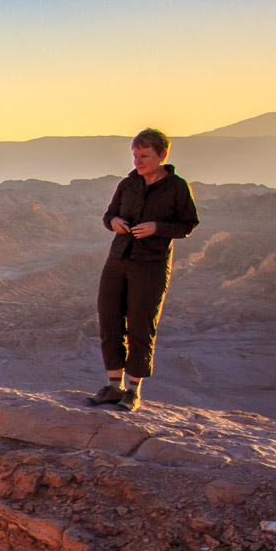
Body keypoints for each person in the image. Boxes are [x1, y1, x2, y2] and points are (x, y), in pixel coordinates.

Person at [90, 128, 198, 412]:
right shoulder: (128, 185)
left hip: (151, 263)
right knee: (109, 318)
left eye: (144, 156)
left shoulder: (177, 186)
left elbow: (188, 224)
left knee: (141, 324)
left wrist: (157, 228)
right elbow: (108, 215)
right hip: (119, 258)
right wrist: (113, 222)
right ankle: (113, 386)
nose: (138, 161)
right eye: (135, 155)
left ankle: (133, 391)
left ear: (162, 155)